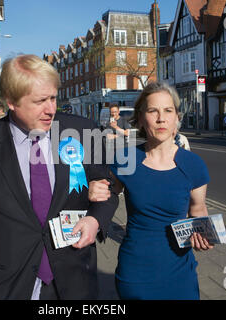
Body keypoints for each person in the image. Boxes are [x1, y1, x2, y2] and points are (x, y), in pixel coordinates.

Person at [0, 54, 118, 300]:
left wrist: (95, 221)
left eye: (53, 98)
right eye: (40, 101)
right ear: (11, 101)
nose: (50, 109)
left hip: (73, 282)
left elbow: (107, 193)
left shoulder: (83, 131)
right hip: (7, 284)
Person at [88, 82, 213, 300]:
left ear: (176, 117)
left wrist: (202, 235)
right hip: (135, 274)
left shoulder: (194, 165)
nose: (161, 118)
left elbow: (198, 210)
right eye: (153, 110)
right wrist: (93, 190)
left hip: (179, 274)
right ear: (141, 118)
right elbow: (105, 196)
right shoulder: (125, 158)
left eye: (168, 110)